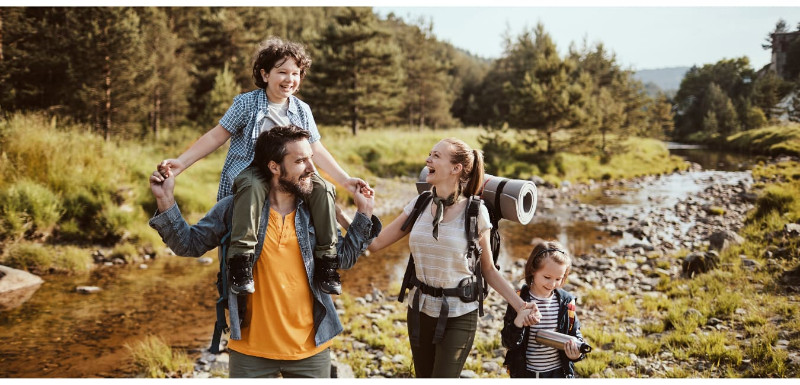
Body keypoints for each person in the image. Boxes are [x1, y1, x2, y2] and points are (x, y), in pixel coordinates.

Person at [148, 125, 381, 378]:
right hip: (250, 354)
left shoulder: (315, 211)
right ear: (274, 167)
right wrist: (165, 200)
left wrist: (364, 213)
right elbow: (188, 245)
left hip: (311, 351)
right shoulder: (235, 209)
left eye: (310, 159)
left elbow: (343, 260)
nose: (312, 169)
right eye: (300, 161)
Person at [157, 37, 369, 296]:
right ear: (265, 73)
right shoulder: (246, 104)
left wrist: (344, 180)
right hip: (253, 170)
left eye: (295, 73)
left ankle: (326, 261)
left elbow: (316, 150)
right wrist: (181, 163)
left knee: (323, 188)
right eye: (282, 72)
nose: (289, 79)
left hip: (293, 174)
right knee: (253, 184)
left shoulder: (302, 110)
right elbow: (216, 135)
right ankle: (241, 260)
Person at [367, 138, 539, 378]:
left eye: (436, 156)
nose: (428, 160)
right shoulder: (419, 203)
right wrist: (354, 212)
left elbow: (488, 269)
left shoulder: (475, 212)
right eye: (429, 154)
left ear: (456, 168)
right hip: (419, 310)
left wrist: (520, 305)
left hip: (459, 313)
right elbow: (375, 244)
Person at [501, 239, 587, 378]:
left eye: (558, 278)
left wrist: (577, 354)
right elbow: (507, 342)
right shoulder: (518, 299)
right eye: (547, 277)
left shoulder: (566, 303)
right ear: (532, 270)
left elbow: (576, 335)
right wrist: (518, 323)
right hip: (524, 373)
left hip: (558, 373)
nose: (552, 284)